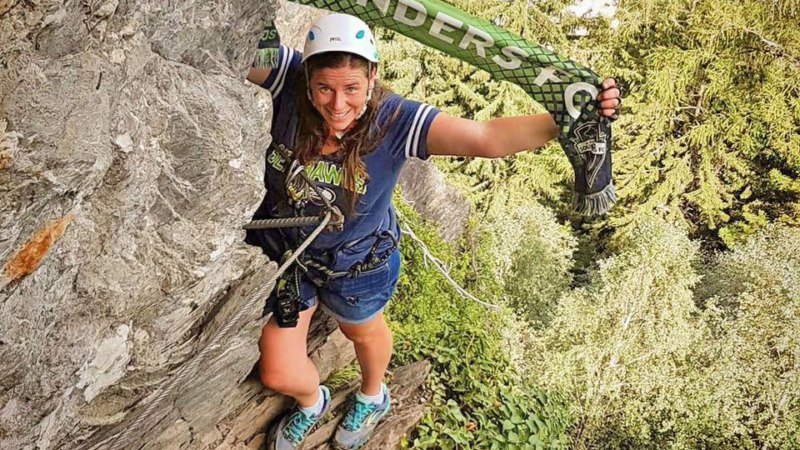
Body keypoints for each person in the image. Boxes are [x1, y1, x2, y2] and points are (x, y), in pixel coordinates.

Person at [245, 13, 621, 450]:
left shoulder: (395, 120)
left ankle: (373, 394)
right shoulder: (288, 80)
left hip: (359, 266)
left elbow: (484, 138)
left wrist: (569, 118)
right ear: (308, 78)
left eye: (352, 88)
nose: (338, 104)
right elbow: (238, 48)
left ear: (373, 78)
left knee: (362, 332)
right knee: (277, 370)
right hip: (291, 256)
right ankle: (312, 402)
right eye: (325, 88)